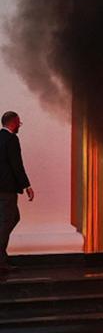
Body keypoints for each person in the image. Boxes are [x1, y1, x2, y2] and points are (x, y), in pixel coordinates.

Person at [0, 111, 34, 281]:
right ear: (13, 122)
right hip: (7, 189)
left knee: (11, 219)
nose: (19, 126)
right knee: (7, 222)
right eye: (19, 123)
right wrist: (27, 185)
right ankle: (0, 261)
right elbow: (16, 165)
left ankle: (1, 258)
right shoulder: (12, 139)